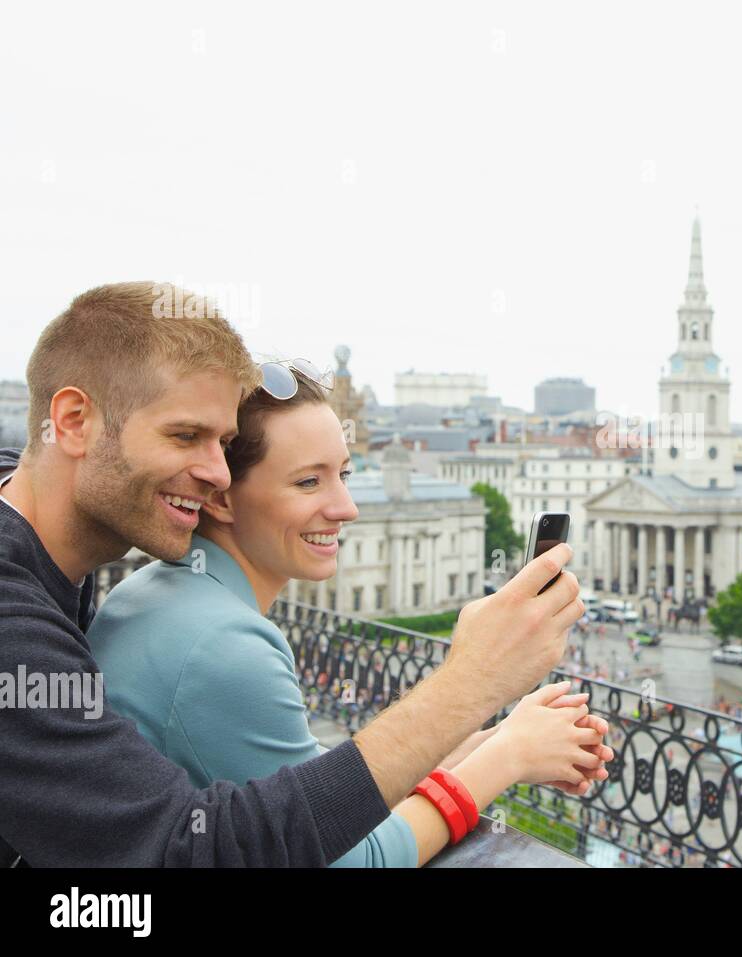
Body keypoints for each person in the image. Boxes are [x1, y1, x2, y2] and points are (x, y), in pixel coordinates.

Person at [0, 282, 593, 866]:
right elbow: (191, 848)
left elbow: (280, 796)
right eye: (185, 436)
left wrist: (490, 738)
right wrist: (476, 689)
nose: (216, 473)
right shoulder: (37, 618)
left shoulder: (85, 573)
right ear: (73, 422)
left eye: (225, 443)